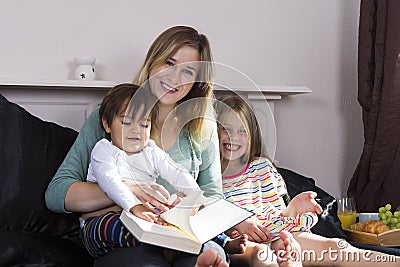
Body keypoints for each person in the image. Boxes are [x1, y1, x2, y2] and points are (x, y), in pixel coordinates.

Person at [45, 25, 228, 266]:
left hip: (181, 234)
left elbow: (213, 196)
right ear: (153, 62)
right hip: (124, 234)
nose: (174, 78)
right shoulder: (114, 115)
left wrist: (189, 204)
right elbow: (58, 193)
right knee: (147, 261)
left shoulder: (201, 129)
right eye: (169, 63)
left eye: (187, 72)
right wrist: (131, 189)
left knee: (208, 253)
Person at [216, 94, 400, 267]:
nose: (233, 137)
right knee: (262, 254)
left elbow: (280, 216)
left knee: (336, 247)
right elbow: (207, 218)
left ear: (251, 136)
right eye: (226, 129)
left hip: (277, 232)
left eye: (242, 131)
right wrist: (238, 223)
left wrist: (294, 208)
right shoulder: (210, 177)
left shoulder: (263, 167)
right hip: (241, 241)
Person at [81, 83, 246, 258]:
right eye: (126, 122)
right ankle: (161, 245)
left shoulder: (150, 150)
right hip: (99, 224)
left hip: (142, 217)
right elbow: (110, 181)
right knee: (116, 224)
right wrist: (134, 206)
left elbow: (176, 171)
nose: (136, 130)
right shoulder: (105, 150)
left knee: (179, 215)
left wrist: (195, 195)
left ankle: (222, 241)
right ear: (107, 124)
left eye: (144, 124)